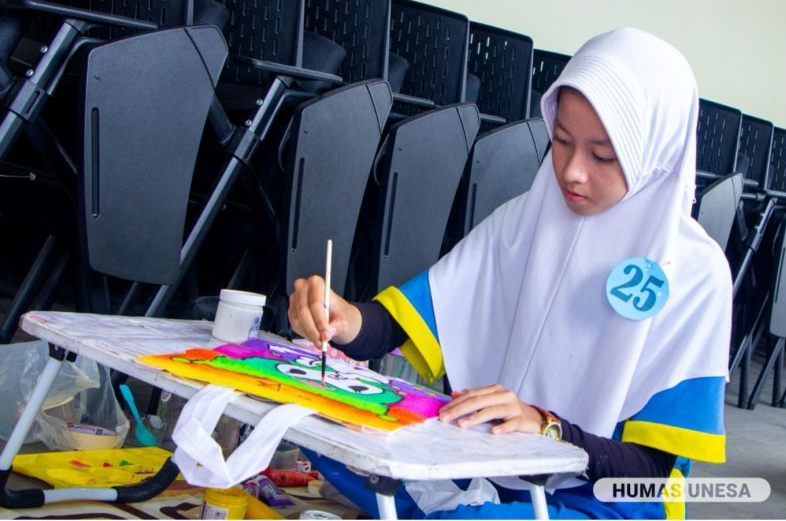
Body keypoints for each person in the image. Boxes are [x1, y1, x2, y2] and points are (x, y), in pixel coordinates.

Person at [288, 27, 731, 519]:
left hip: (604, 498)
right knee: (322, 431)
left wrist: (547, 427)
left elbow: (651, 474)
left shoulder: (695, 274)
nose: (572, 172)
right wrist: (344, 319)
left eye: (603, 155)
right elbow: (403, 321)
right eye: (561, 141)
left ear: (656, 153)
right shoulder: (526, 220)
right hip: (488, 459)